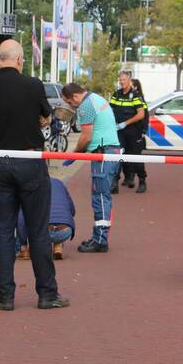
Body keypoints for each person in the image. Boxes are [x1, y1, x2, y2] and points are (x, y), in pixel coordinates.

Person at [0, 39, 68, 311]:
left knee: (4, 230)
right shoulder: (33, 85)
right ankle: (47, 294)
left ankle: (5, 296)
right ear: (19, 60)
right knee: (38, 229)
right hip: (29, 160)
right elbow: (46, 117)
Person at [61, 83, 122, 253]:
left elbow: (86, 136)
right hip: (110, 150)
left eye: (68, 102)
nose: (69, 106)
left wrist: (73, 154)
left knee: (100, 196)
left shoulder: (85, 106)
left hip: (102, 153)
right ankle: (99, 236)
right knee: (103, 195)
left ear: (74, 97)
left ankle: (100, 240)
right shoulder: (96, 98)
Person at [16, 177, 77, 260]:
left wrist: (23, 244)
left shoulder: (29, 186)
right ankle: (58, 247)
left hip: (43, 232)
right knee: (58, 218)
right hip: (65, 231)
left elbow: (20, 220)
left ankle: (25, 251)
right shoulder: (59, 183)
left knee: (24, 215)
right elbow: (72, 210)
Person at [110, 71, 148, 194]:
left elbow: (141, 114)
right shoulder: (117, 94)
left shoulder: (136, 95)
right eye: (120, 80)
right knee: (117, 156)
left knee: (136, 157)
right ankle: (114, 183)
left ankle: (142, 181)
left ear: (129, 80)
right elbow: (110, 109)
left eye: (124, 80)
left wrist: (126, 123)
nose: (122, 82)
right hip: (119, 131)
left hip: (133, 131)